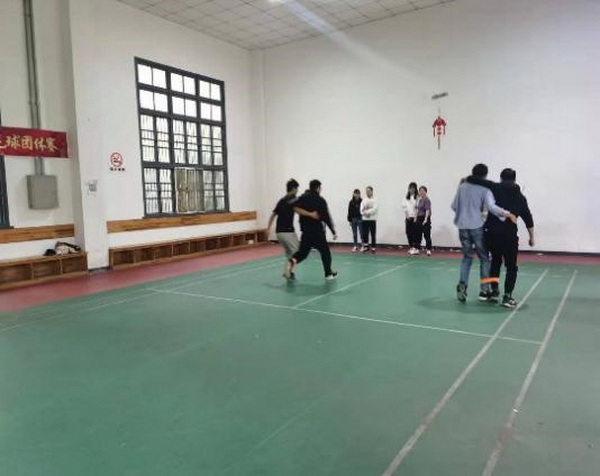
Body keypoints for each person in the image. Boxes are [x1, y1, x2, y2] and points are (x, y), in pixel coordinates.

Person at [467, 168, 535, 308]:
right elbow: (528, 219)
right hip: (509, 235)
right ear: (514, 179)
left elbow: (475, 180)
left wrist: (472, 179)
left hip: (491, 234)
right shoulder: (520, 197)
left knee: (495, 262)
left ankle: (494, 291)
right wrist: (531, 237)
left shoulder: (494, 187)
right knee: (511, 266)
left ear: (501, 178)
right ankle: (507, 296)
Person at [451, 164, 517, 302]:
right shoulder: (484, 189)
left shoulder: (462, 187)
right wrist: (507, 214)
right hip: (477, 226)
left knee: (467, 257)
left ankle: (462, 285)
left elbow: (454, 206)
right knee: (484, 258)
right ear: (485, 175)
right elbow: (492, 207)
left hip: (462, 227)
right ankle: (484, 290)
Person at [286, 180, 338, 280]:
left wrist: (306, 213)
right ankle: (328, 273)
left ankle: (293, 260)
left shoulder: (302, 197)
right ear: (318, 188)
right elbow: (326, 217)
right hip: (317, 231)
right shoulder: (320, 200)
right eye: (320, 188)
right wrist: (333, 231)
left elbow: (291, 205)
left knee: (303, 253)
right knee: (325, 252)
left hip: (305, 232)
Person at [267, 179, 302, 280]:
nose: (297, 191)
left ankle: (288, 273)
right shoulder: (293, 199)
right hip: (287, 232)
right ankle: (287, 272)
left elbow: (273, 215)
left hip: (279, 233)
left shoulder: (281, 200)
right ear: (293, 189)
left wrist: (268, 228)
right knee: (297, 252)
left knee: (289, 253)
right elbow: (301, 207)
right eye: (297, 189)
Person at [403, 182, 419, 254]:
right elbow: (404, 207)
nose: (411, 190)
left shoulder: (417, 197)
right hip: (408, 217)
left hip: (415, 218)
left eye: (413, 188)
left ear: (415, 189)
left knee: (415, 233)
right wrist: (407, 216)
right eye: (410, 188)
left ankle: (415, 248)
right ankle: (411, 247)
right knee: (408, 232)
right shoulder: (406, 198)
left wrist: (415, 217)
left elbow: (417, 208)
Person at [360, 186, 378, 253]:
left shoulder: (375, 200)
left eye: (369, 191)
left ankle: (373, 247)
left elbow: (374, 209)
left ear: (372, 191)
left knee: (373, 234)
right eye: (366, 191)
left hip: (372, 219)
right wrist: (364, 213)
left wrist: (367, 213)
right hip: (365, 219)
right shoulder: (364, 200)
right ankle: (366, 246)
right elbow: (361, 209)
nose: (367, 192)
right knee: (365, 234)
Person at [416, 186, 432, 256]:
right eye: (420, 191)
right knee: (418, 234)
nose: (421, 192)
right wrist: (416, 218)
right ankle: (417, 249)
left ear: (425, 191)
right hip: (419, 218)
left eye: (423, 191)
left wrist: (425, 219)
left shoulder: (427, 200)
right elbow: (417, 209)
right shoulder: (420, 200)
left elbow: (427, 210)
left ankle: (428, 249)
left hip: (425, 218)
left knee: (427, 235)